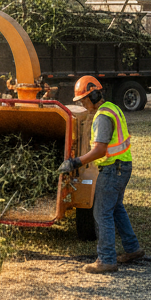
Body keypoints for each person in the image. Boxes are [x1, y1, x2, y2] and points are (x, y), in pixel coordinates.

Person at [59, 75, 143, 274]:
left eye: (84, 99)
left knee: (101, 213)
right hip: (122, 166)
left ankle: (106, 259)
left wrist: (75, 162)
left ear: (94, 95)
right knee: (115, 208)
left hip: (113, 168)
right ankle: (133, 249)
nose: (82, 104)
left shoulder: (102, 117)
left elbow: (99, 151)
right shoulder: (112, 108)